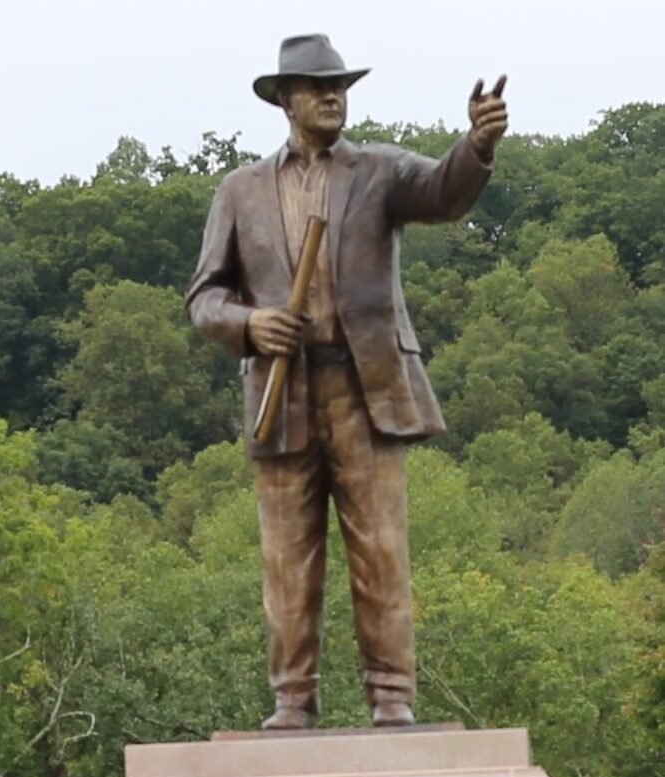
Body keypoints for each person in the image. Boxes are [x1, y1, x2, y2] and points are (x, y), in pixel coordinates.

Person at [186, 34, 508, 729]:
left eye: (339, 86)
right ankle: (292, 699)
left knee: (381, 549)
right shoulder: (240, 191)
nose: (332, 96)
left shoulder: (380, 170)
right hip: (283, 394)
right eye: (317, 87)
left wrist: (476, 145)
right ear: (286, 101)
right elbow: (204, 298)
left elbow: (443, 192)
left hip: (367, 390)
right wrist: (250, 323)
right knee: (287, 559)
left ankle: (392, 695)